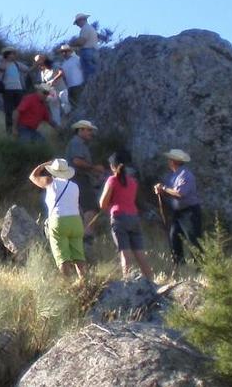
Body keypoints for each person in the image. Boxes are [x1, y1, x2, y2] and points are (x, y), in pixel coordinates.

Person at [99, 149, 154, 280]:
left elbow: (102, 203)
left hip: (119, 217)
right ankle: (152, 282)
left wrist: (110, 204)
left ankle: (127, 281)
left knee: (125, 253)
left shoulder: (112, 180)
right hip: (134, 217)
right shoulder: (133, 182)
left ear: (112, 166)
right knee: (140, 254)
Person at [28, 158, 87, 280]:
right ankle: (84, 281)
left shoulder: (50, 182)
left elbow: (33, 177)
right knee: (78, 255)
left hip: (59, 221)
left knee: (62, 257)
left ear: (53, 171)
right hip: (76, 221)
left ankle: (67, 284)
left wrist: (44, 164)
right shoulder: (75, 186)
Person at [154, 148, 202, 266]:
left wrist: (164, 188)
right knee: (174, 236)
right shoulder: (173, 176)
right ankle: (179, 264)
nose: (168, 162)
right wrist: (161, 190)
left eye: (170, 159)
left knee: (193, 239)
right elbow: (172, 192)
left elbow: (180, 193)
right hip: (178, 213)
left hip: (190, 212)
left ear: (174, 161)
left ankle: (201, 265)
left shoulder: (186, 175)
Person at [65, 120, 106, 239]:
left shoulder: (78, 143)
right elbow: (76, 161)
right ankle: (87, 236)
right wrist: (94, 168)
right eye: (88, 130)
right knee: (90, 207)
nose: (91, 133)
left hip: (77, 178)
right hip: (79, 179)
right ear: (80, 130)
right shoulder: (77, 143)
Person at [0, 48, 28, 134]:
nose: (14, 55)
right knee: (9, 111)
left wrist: (36, 64)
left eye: (14, 54)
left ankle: (19, 129)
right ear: (7, 54)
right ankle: (10, 131)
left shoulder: (17, 64)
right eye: (12, 54)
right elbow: (0, 70)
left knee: (20, 110)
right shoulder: (2, 64)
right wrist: (4, 60)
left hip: (18, 89)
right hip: (7, 90)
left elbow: (26, 69)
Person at [34, 54, 67, 125]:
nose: (39, 62)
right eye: (37, 61)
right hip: (52, 92)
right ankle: (59, 127)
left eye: (40, 59)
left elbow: (61, 73)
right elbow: (44, 83)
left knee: (66, 106)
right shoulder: (42, 72)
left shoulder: (54, 65)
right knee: (54, 110)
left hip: (62, 89)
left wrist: (53, 80)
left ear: (44, 58)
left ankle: (69, 121)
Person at [72, 14, 100, 81]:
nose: (77, 25)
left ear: (81, 20)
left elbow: (82, 41)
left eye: (77, 23)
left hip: (87, 52)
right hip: (95, 51)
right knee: (94, 70)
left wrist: (73, 44)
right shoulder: (91, 28)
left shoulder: (85, 28)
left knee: (88, 72)